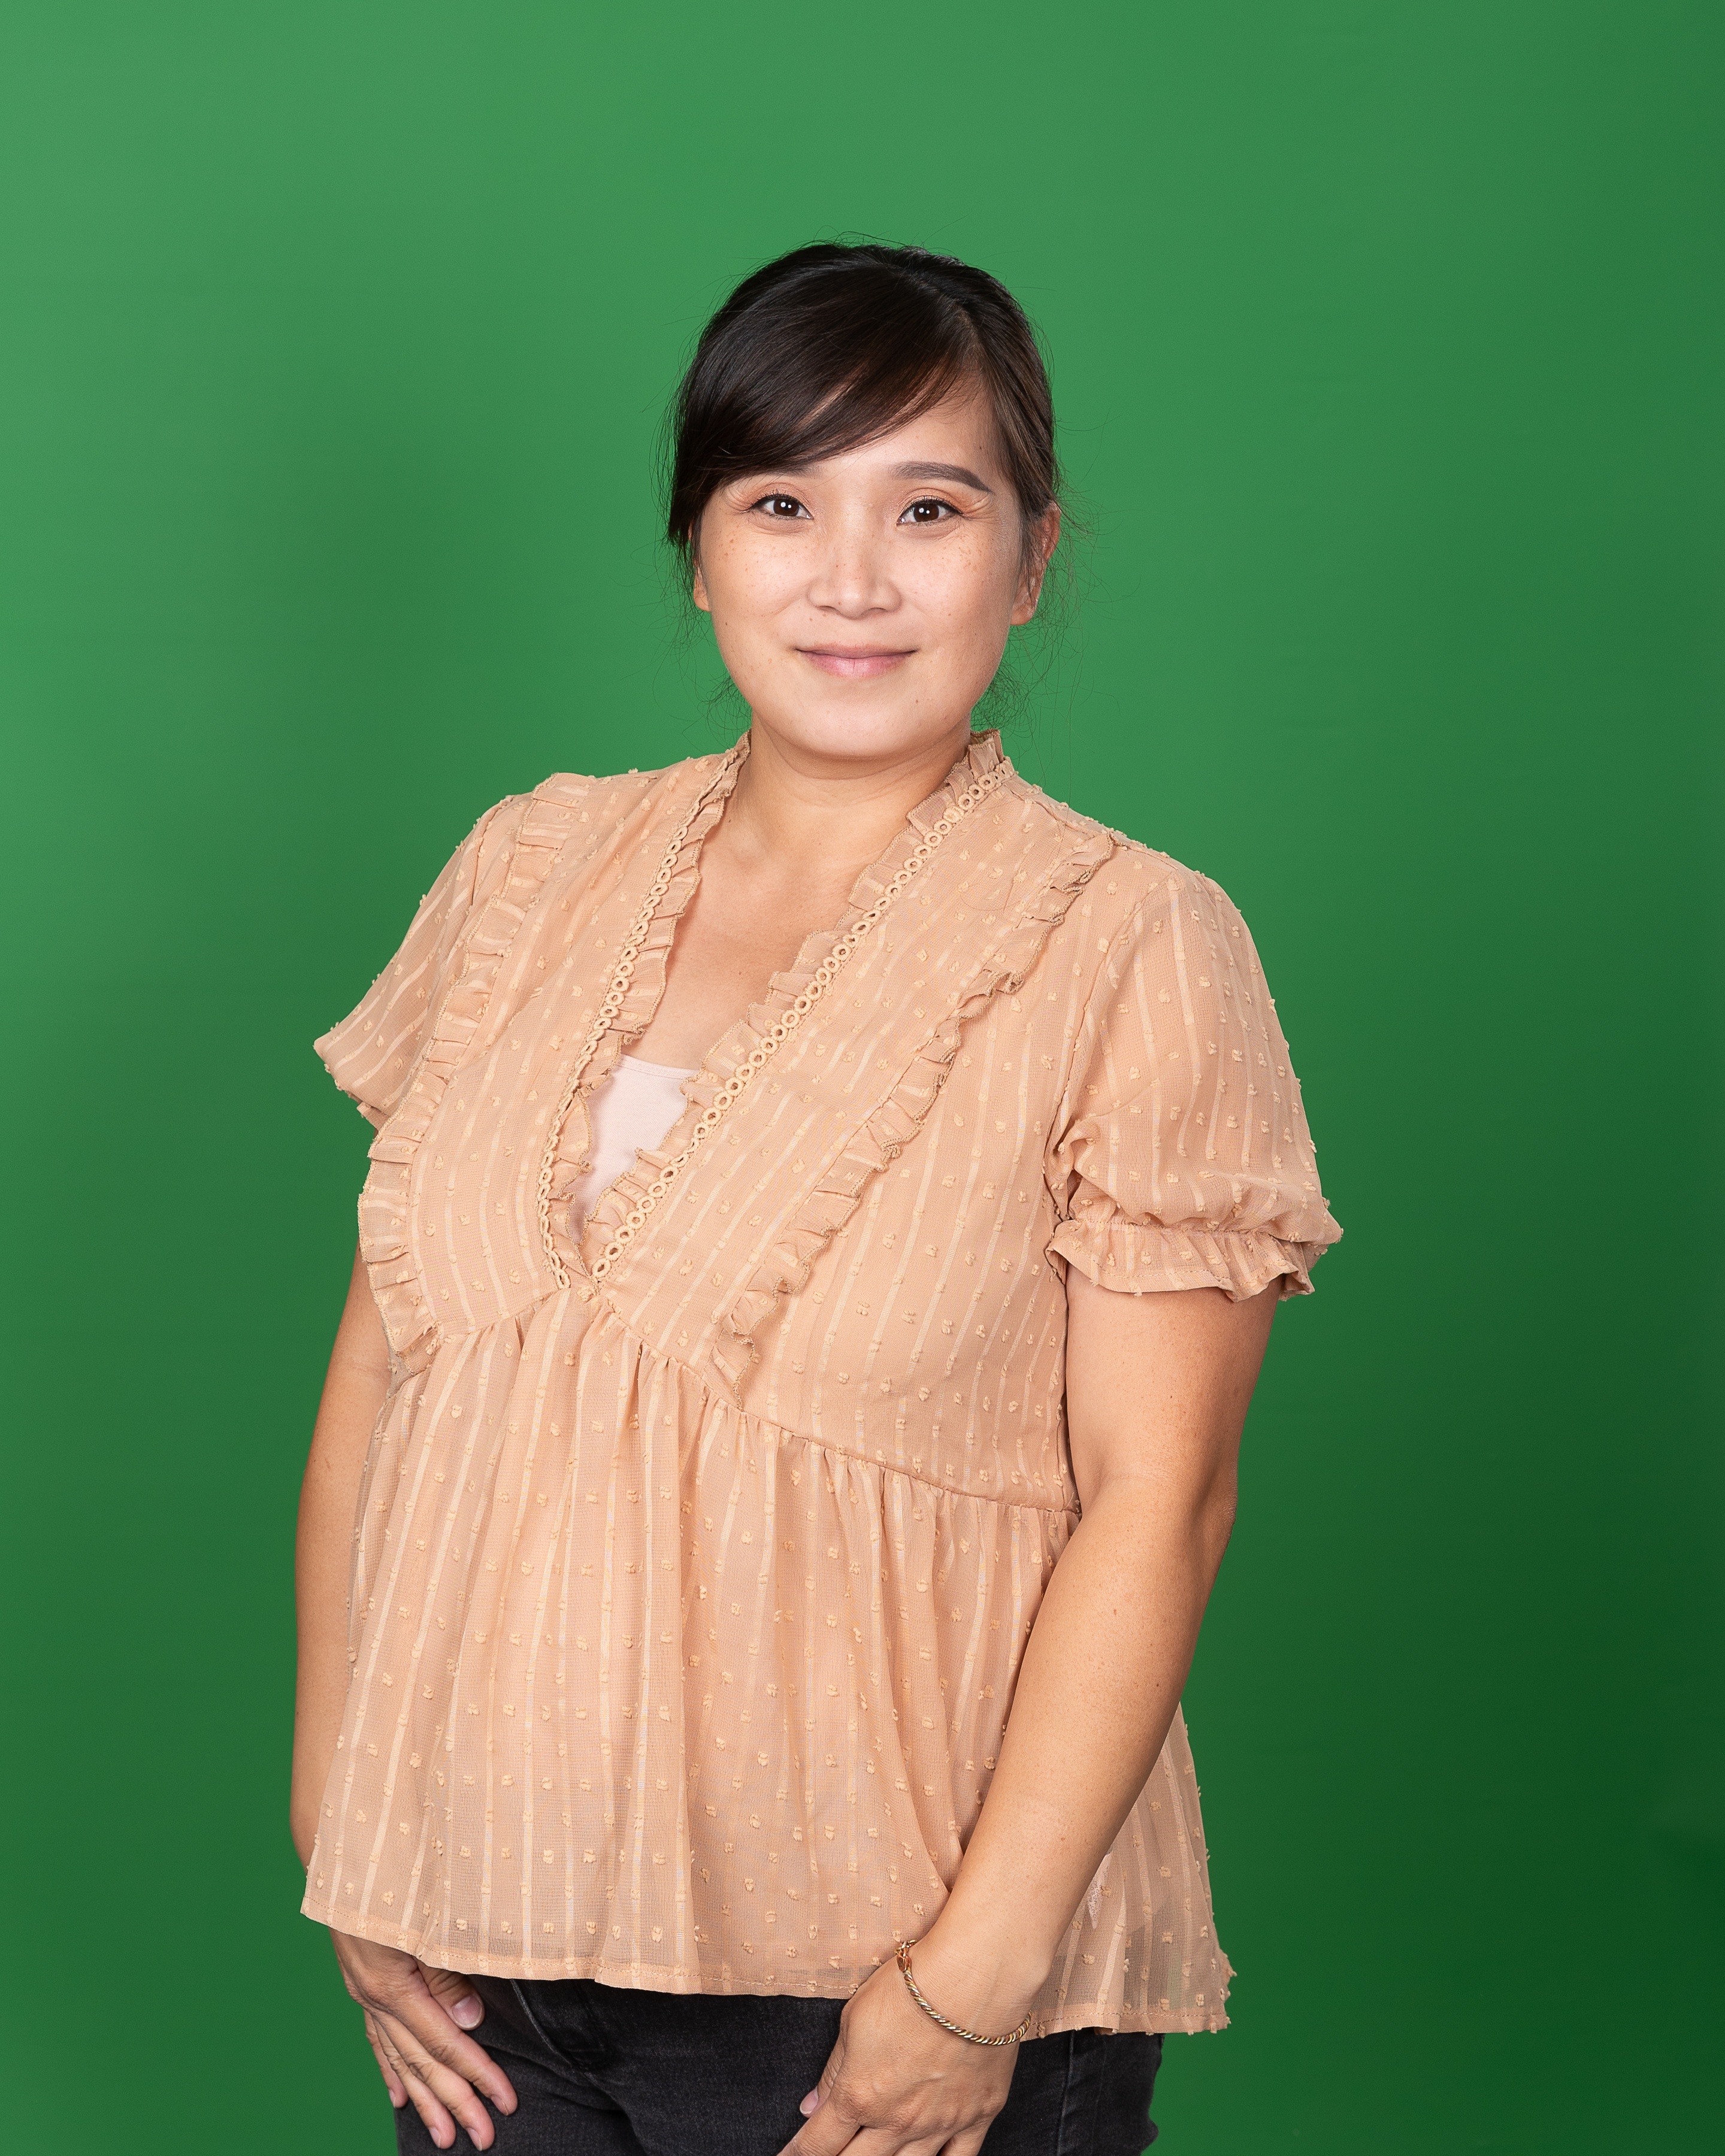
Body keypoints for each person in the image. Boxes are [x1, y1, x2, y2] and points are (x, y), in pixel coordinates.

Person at [292, 241, 1340, 2156]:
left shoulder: (1134, 944)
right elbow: (389, 1370)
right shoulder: (530, 866)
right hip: (482, 1939)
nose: (851, 579)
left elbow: (1162, 1501)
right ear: (699, 551)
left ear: (1028, 561)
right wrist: (343, 1817)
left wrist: (964, 1991)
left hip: (886, 1972)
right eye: (782, 504)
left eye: (929, 509)